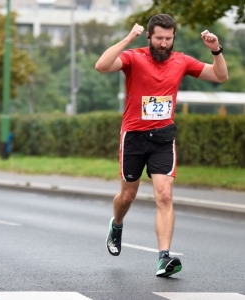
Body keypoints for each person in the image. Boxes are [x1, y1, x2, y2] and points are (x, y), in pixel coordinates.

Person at [95, 14, 228, 277]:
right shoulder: (134, 57)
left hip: (164, 137)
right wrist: (128, 38)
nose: (163, 44)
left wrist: (216, 50)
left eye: (168, 39)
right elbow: (102, 65)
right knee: (127, 196)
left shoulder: (182, 61)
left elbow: (220, 76)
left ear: (173, 38)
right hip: (133, 136)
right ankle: (117, 224)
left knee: (165, 195)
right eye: (158, 39)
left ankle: (163, 258)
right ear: (149, 37)